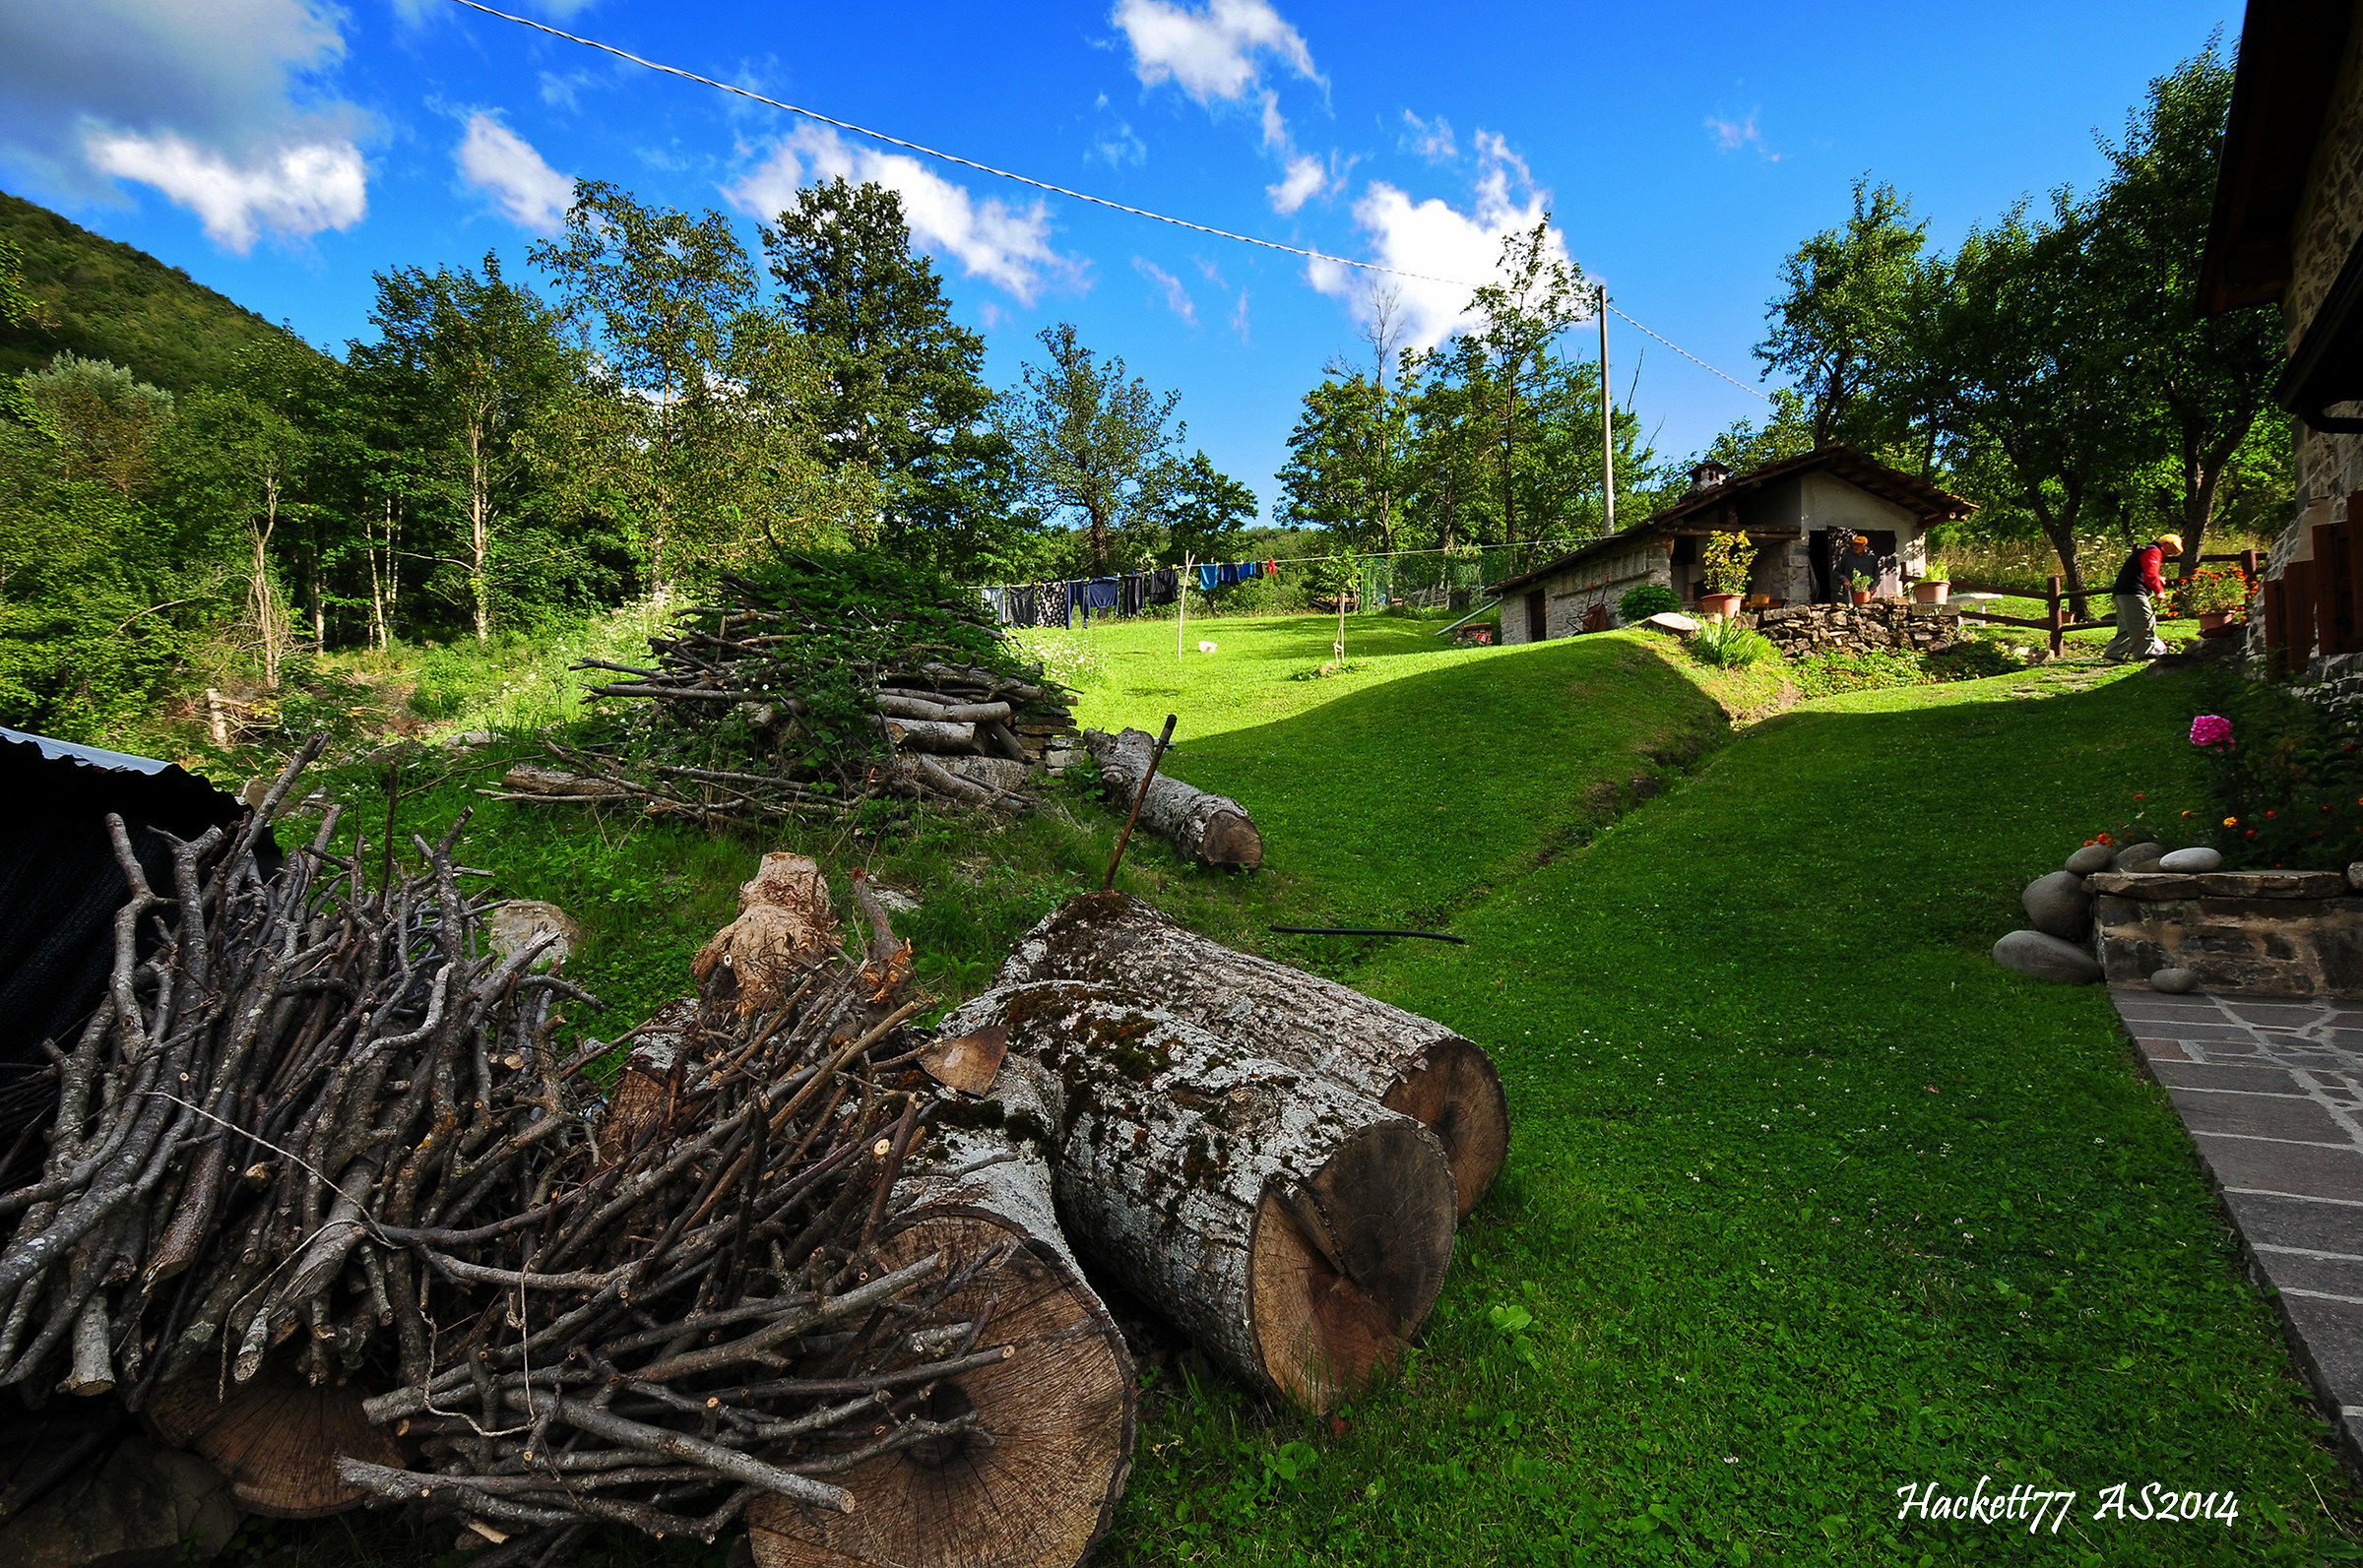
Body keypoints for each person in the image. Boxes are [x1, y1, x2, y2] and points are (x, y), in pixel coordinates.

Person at [2102, 533, 2184, 661]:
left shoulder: (2146, 550)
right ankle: (2144, 655)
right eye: (2173, 550)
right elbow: (2150, 574)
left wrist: (2159, 578)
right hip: (2133, 593)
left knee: (2128, 626)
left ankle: (2113, 654)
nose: (2171, 554)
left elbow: (2146, 571)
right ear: (2166, 543)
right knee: (2145, 622)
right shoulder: (2154, 551)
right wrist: (2159, 591)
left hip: (2122, 592)